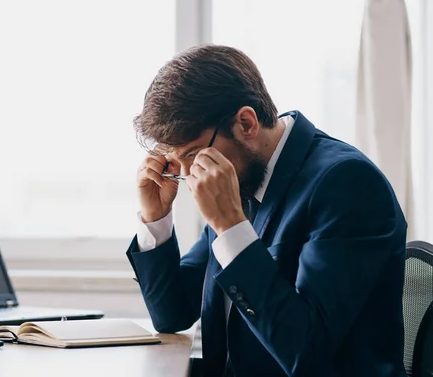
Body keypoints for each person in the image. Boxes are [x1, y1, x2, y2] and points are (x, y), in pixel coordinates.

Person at [126, 44, 407, 377]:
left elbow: (307, 351)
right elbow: (173, 314)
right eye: (179, 160)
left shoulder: (347, 184)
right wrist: (156, 220)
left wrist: (231, 226)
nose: (189, 176)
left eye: (193, 154)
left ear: (246, 123)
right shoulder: (243, 177)